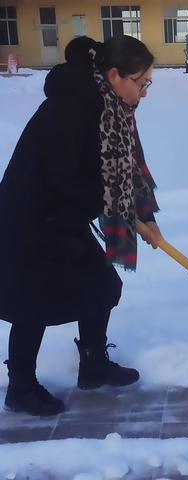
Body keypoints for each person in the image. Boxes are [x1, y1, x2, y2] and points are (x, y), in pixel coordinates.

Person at [0, 35, 163, 416]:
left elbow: (127, 170)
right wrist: (120, 211)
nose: (144, 92)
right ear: (114, 75)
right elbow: (64, 177)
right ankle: (20, 386)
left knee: (101, 285)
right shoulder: (71, 109)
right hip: (30, 216)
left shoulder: (110, 110)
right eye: (140, 83)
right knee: (32, 302)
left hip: (66, 214)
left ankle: (92, 365)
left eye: (147, 84)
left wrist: (145, 216)